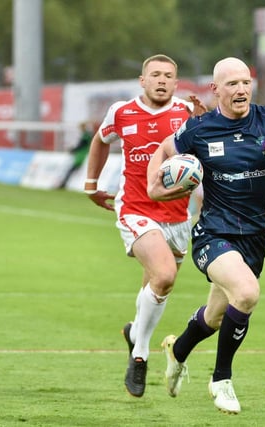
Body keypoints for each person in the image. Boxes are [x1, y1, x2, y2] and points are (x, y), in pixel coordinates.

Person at [146, 57, 265, 414]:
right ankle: (221, 379)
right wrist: (155, 187)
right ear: (216, 90)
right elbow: (163, 151)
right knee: (246, 293)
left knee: (215, 318)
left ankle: (177, 351)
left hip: (256, 236)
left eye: (245, 82)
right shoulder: (198, 130)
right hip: (213, 233)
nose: (241, 89)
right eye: (232, 84)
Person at [82, 54, 205, 398]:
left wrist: (205, 122)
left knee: (156, 285)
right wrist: (92, 185)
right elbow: (99, 142)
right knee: (164, 275)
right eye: (156, 75)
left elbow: (209, 153)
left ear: (176, 83)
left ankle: (134, 331)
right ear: (142, 80)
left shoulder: (186, 113)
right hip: (135, 208)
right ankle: (139, 355)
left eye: (168, 75)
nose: (162, 80)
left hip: (177, 216)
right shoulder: (121, 112)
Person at [59, 121, 93, 189]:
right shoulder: (88, 135)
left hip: (82, 156)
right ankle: (63, 184)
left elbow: (80, 145)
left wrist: (73, 150)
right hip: (82, 155)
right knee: (71, 170)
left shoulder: (86, 136)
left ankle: (63, 184)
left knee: (71, 170)